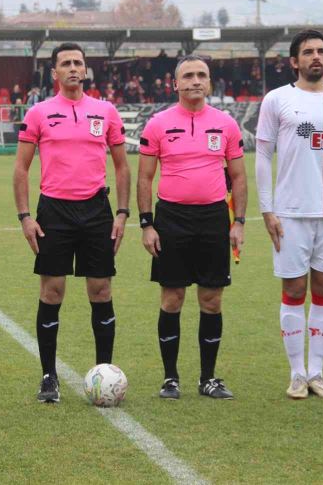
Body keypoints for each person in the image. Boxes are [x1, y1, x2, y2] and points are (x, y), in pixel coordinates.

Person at [13, 42, 131, 403]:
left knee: (101, 291)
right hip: (54, 211)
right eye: (66, 63)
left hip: (97, 210)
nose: (74, 68)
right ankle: (48, 377)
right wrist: (25, 217)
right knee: (52, 292)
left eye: (78, 63)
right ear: (55, 73)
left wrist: (123, 213)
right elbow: (21, 168)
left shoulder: (105, 111)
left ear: (86, 69)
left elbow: (123, 166)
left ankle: (104, 373)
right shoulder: (39, 113)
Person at [255, 29, 323, 400]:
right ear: (294, 61)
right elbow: (263, 157)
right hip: (290, 213)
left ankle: (317, 372)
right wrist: (267, 209)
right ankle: (296, 373)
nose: (316, 56)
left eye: (321, 51)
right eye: (308, 52)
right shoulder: (277, 100)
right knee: (294, 289)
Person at [138, 55, 247, 400]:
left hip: (214, 218)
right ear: (175, 83)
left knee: (211, 299)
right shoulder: (157, 124)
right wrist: (147, 225)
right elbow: (144, 177)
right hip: (171, 219)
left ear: (210, 82)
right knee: (172, 298)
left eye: (201, 75)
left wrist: (239, 222)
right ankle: (170, 378)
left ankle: (208, 378)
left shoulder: (226, 124)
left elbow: (240, 177)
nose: (195, 81)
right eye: (188, 75)